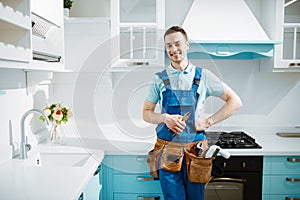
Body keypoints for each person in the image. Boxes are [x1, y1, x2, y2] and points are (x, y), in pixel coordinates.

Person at [142, 26, 243, 200]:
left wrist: (208, 122)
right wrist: (164, 118)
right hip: (167, 152)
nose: (173, 50)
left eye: (177, 44)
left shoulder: (203, 76)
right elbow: (146, 113)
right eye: (168, 46)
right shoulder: (159, 79)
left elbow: (235, 102)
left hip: (195, 153)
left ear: (187, 45)